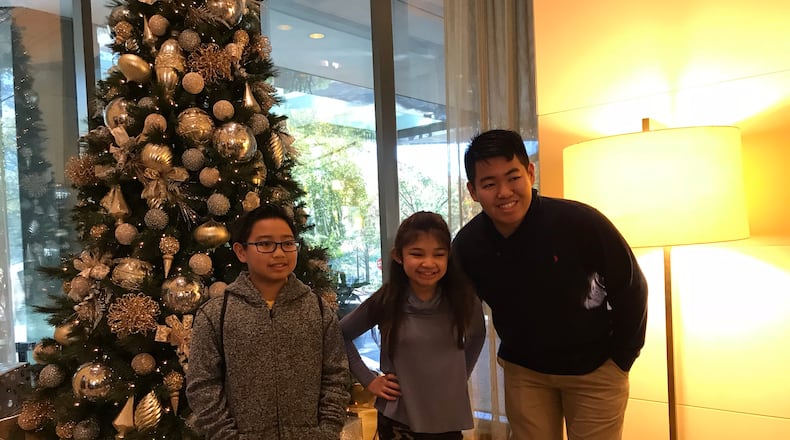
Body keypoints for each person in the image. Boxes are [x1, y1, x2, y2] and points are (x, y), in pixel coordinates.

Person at [452, 129, 648, 440]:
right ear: (473, 191)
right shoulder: (468, 245)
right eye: (489, 184)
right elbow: (448, 304)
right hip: (524, 372)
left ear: (530, 173)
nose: (504, 192)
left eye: (512, 177)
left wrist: (622, 359)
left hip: (595, 368)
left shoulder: (581, 223)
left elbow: (631, 288)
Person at [186, 204, 350, 440]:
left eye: (287, 243)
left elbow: (336, 375)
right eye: (265, 244)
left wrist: (326, 432)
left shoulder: (318, 309)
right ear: (241, 251)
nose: (279, 253)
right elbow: (203, 385)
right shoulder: (216, 314)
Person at [340, 211, 486, 440]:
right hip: (399, 418)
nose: (428, 263)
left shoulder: (465, 300)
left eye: (439, 254)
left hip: (447, 417)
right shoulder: (386, 300)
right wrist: (369, 380)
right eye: (417, 254)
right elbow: (340, 335)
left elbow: (477, 337)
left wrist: (461, 375)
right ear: (398, 256)